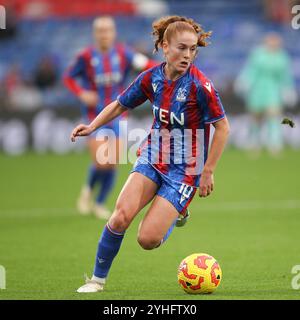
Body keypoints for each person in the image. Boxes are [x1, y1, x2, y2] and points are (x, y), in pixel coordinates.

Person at [71, 15, 230, 293]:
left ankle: (178, 210)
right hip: (152, 156)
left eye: (193, 49)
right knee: (120, 217)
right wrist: (93, 125)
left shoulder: (200, 86)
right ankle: (96, 281)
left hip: (185, 170)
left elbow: (222, 127)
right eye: (182, 47)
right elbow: (120, 105)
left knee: (147, 240)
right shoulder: (151, 77)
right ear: (165, 46)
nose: (188, 55)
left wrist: (208, 170)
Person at [64, 16, 156, 219]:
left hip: (118, 114)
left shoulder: (124, 53)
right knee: (101, 161)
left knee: (112, 161)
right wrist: (81, 93)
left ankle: (98, 203)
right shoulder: (86, 56)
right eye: (101, 31)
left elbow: (148, 64)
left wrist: (165, 68)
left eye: (108, 30)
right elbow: (68, 77)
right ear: (95, 34)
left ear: (113, 33)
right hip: (93, 115)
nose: (104, 34)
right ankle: (88, 190)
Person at [235, 32, 296, 155]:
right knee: (256, 117)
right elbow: (250, 70)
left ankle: (274, 143)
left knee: (273, 115)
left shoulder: (282, 57)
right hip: (257, 89)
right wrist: (244, 81)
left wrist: (288, 88)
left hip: (273, 90)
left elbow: (285, 75)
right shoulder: (258, 55)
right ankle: (253, 142)